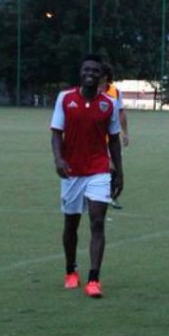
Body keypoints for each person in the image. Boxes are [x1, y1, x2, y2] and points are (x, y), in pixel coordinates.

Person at [50, 54, 124, 298]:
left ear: (101, 76)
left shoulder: (108, 104)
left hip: (99, 170)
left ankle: (94, 278)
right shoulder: (65, 99)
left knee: (97, 221)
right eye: (86, 70)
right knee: (71, 223)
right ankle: (71, 270)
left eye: (95, 71)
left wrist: (119, 172)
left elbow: (113, 139)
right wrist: (59, 159)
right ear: (80, 74)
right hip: (72, 171)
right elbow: (56, 133)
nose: (90, 74)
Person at [101, 62, 129, 209]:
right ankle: (106, 196)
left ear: (105, 76)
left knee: (114, 167)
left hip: (112, 137)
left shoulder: (115, 92)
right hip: (97, 138)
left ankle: (110, 196)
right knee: (109, 167)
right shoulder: (90, 91)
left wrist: (125, 133)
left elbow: (121, 112)